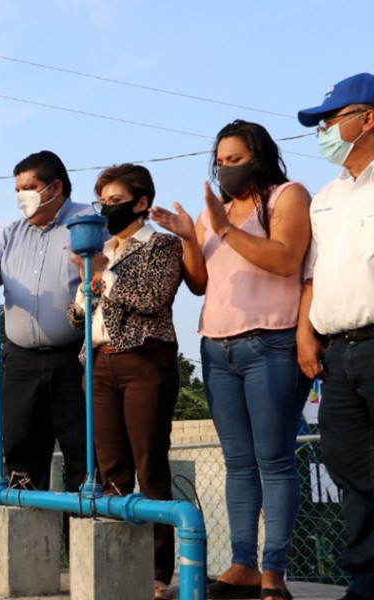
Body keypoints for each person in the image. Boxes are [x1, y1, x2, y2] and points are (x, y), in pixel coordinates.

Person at [150, 120, 312, 600]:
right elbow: (200, 282)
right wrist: (189, 236)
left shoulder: (288, 197)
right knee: (238, 462)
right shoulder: (213, 213)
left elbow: (285, 260)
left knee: (275, 460)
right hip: (216, 346)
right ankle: (242, 563)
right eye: (219, 160)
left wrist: (223, 229)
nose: (224, 168)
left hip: (272, 342)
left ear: (259, 157)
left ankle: (273, 572)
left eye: (235, 159)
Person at [67, 164, 182, 600]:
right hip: (98, 362)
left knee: (149, 464)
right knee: (111, 471)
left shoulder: (162, 245)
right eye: (102, 202)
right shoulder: (98, 249)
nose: (105, 209)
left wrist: (105, 275)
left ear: (140, 203)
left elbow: (153, 299)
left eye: (114, 201)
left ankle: (156, 574)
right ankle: (117, 566)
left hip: (143, 360)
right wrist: (85, 287)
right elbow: (76, 316)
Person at [0, 150, 93, 492]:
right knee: (20, 448)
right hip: (21, 360)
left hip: (74, 357)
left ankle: (79, 531)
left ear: (55, 187)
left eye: (29, 187)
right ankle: (27, 526)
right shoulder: (13, 233)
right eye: (17, 189)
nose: (21, 197)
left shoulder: (86, 223)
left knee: (82, 450)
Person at [296, 72, 374, 600]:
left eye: (331, 119)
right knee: (347, 467)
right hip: (338, 354)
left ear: (367, 118)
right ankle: (366, 582)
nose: (323, 130)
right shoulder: (325, 197)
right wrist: (306, 334)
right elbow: (314, 275)